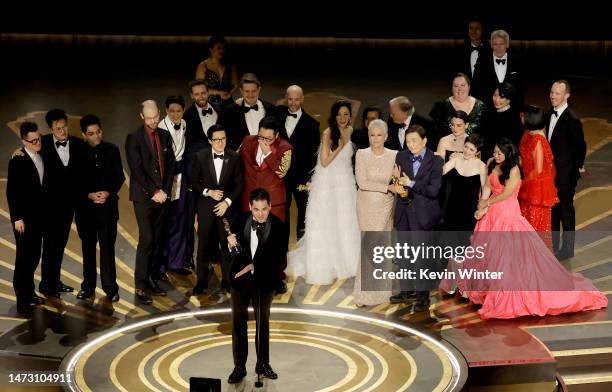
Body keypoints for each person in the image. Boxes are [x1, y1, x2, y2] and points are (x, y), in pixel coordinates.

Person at [459, 138, 607, 319]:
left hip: (507, 215)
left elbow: (506, 193)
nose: (496, 155)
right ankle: (487, 290)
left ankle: (507, 294)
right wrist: (482, 205)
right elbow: (488, 186)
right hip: (492, 216)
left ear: (508, 153)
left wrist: (487, 202)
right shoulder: (491, 163)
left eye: (500, 153)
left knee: (506, 258)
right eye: (495, 152)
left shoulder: (513, 170)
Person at [287, 100, 361, 285]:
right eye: (339, 114)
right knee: (329, 222)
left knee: (346, 221)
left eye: (346, 114)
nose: (343, 118)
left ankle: (348, 261)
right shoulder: (328, 133)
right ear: (334, 116)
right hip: (329, 184)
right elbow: (325, 162)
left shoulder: (351, 130)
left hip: (346, 184)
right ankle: (328, 262)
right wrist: (341, 146)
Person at [226, 188, 288, 384]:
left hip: (265, 281)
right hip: (240, 281)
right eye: (256, 209)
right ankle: (239, 366)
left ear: (270, 206)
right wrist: (229, 244)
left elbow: (278, 258)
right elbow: (231, 250)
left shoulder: (280, 227)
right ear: (250, 207)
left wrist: (254, 266)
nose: (260, 214)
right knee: (238, 323)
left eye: (264, 209)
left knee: (263, 323)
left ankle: (263, 363)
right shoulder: (239, 220)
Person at [125, 100, 176, 304]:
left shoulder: (164, 135)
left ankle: (152, 278)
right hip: (144, 198)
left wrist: (164, 190)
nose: (153, 121)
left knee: (157, 239)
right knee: (147, 240)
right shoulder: (134, 138)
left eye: (155, 117)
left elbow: (170, 165)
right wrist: (154, 191)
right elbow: (136, 170)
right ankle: (141, 285)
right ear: (141, 116)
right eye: (149, 118)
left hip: (161, 196)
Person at [389, 125, 443, 312]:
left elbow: (433, 190)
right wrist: (397, 184)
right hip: (404, 212)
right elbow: (398, 183)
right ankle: (405, 290)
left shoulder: (436, 161)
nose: (410, 145)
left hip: (423, 215)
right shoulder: (401, 156)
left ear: (424, 140)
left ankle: (422, 296)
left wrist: (409, 182)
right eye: (408, 141)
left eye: (414, 141)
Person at [188, 124, 243, 295]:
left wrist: (227, 202)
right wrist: (208, 192)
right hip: (205, 207)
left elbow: (239, 184)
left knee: (227, 245)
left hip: (225, 209)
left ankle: (227, 280)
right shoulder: (200, 156)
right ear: (210, 141)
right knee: (203, 244)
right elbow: (193, 181)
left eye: (223, 139)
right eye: (217, 140)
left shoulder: (234, 157)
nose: (220, 143)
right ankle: (201, 281)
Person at [74, 114, 124, 302]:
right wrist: (89, 195)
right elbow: (75, 181)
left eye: (98, 132)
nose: (96, 137)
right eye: (91, 134)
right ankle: (88, 287)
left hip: (107, 209)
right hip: (86, 211)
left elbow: (119, 176)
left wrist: (108, 193)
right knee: (87, 249)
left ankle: (111, 288)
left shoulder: (112, 150)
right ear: (83, 134)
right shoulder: (76, 152)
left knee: (107, 249)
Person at [240, 116, 292, 292]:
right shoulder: (248, 141)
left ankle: (277, 277)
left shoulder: (285, 148)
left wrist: (268, 153)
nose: (262, 140)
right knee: (248, 240)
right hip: (249, 201)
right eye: (260, 136)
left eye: (268, 138)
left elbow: (282, 172)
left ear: (276, 135)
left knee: (274, 243)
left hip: (273, 203)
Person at [39, 108, 85, 298]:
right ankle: (46, 284)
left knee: (60, 245)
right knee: (49, 246)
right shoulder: (43, 145)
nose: (63, 131)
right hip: (50, 207)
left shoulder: (78, 144)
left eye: (65, 127)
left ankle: (55, 281)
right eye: (58, 129)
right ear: (50, 129)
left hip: (69, 207)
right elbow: (27, 153)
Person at [353, 119, 397, 306]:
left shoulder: (395, 154)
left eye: (379, 135)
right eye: (372, 135)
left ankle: (381, 293)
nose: (376, 139)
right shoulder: (361, 154)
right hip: (367, 205)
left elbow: (400, 179)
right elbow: (362, 183)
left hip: (386, 206)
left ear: (386, 137)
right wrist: (387, 187)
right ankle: (364, 294)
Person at [438, 134, 487, 295]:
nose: (467, 151)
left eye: (471, 149)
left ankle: (465, 286)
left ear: (477, 152)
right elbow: (439, 172)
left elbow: (485, 190)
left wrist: (482, 208)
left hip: (469, 213)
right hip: (452, 210)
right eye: (466, 147)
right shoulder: (456, 161)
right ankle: (454, 285)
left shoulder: (481, 166)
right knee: (452, 250)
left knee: (466, 251)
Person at [7, 122, 46, 316]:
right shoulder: (18, 161)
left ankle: (30, 293)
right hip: (23, 221)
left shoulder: (41, 151)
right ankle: (21, 298)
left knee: (33, 257)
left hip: (39, 218)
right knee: (23, 259)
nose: (38, 143)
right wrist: (17, 218)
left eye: (39, 139)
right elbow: (12, 192)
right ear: (24, 141)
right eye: (33, 141)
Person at [547, 80, 587, 260]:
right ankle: (553, 245)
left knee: (565, 211)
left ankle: (567, 249)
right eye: (552, 92)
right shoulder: (548, 114)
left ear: (567, 95)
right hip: (549, 174)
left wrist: (576, 167)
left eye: (557, 93)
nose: (553, 96)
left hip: (565, 175)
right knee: (553, 211)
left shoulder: (572, 119)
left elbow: (581, 147)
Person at [184, 79, 221, 270]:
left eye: (203, 93)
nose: (200, 97)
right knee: (192, 219)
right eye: (196, 94)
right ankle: (189, 257)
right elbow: (187, 151)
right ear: (192, 96)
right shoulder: (187, 117)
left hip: (218, 173)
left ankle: (214, 253)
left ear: (208, 92)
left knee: (216, 215)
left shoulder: (218, 108)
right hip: (197, 177)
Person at [276, 85, 320, 240]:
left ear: (302, 99)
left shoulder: (313, 125)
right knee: (281, 213)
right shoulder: (278, 115)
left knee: (303, 214)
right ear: (286, 98)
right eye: (290, 99)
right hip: (281, 176)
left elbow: (314, 156)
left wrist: (309, 180)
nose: (293, 103)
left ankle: (301, 251)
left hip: (302, 179)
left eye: (296, 99)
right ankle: (282, 250)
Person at [157, 95, 191, 275]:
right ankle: (161, 265)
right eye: (172, 111)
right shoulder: (161, 128)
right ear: (166, 111)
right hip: (166, 178)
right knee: (165, 220)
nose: (175, 115)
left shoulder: (184, 124)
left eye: (179, 111)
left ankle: (176, 263)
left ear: (183, 110)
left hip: (180, 175)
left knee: (180, 217)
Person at [519, 105, 558, 251]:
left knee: (533, 224)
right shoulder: (528, 134)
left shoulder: (538, 140)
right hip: (527, 183)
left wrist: (521, 182)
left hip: (535, 188)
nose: (521, 117)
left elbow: (538, 169)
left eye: (524, 115)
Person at [472, 29, 524, 111]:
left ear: (507, 44)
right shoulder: (482, 61)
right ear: (491, 45)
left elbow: (520, 89)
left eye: (501, 44)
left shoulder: (517, 61)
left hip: (511, 110)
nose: (498, 47)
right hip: (488, 110)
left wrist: (520, 111)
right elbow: (476, 86)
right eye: (495, 44)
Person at [222, 73, 276, 151]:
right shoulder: (230, 111)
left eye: (253, 91)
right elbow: (224, 136)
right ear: (241, 91)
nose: (250, 95)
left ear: (259, 89)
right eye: (247, 91)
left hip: (266, 157)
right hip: (241, 158)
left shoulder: (271, 109)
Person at [429, 73, 486, 137]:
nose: (460, 89)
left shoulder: (481, 106)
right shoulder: (441, 107)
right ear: (451, 88)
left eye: (463, 85)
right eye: (456, 86)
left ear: (469, 87)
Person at [195, 35, 239, 113]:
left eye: (223, 48)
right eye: (218, 48)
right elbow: (198, 89)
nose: (222, 51)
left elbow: (235, 85)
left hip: (227, 102)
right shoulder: (203, 66)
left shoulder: (231, 65)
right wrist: (218, 93)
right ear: (211, 49)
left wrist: (229, 94)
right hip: (208, 104)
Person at [480, 82, 524, 161]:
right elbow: (481, 135)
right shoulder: (487, 113)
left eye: (501, 97)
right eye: (495, 95)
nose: (497, 100)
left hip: (503, 160)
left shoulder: (514, 118)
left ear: (508, 100)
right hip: (484, 157)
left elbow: (515, 146)